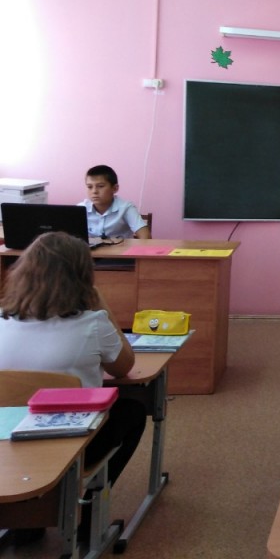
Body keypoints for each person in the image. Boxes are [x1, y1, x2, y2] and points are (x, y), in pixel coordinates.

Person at [0, 231, 147, 544]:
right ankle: (88, 516)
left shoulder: (1, 321)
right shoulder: (92, 323)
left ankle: (26, 520)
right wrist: (102, 306)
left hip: (7, 441)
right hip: (71, 444)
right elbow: (124, 367)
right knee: (134, 409)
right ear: (83, 277)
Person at [79, 164, 151, 239]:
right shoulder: (80, 209)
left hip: (122, 246)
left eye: (100, 186)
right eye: (89, 187)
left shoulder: (126, 208)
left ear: (115, 188)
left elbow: (146, 237)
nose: (94, 191)